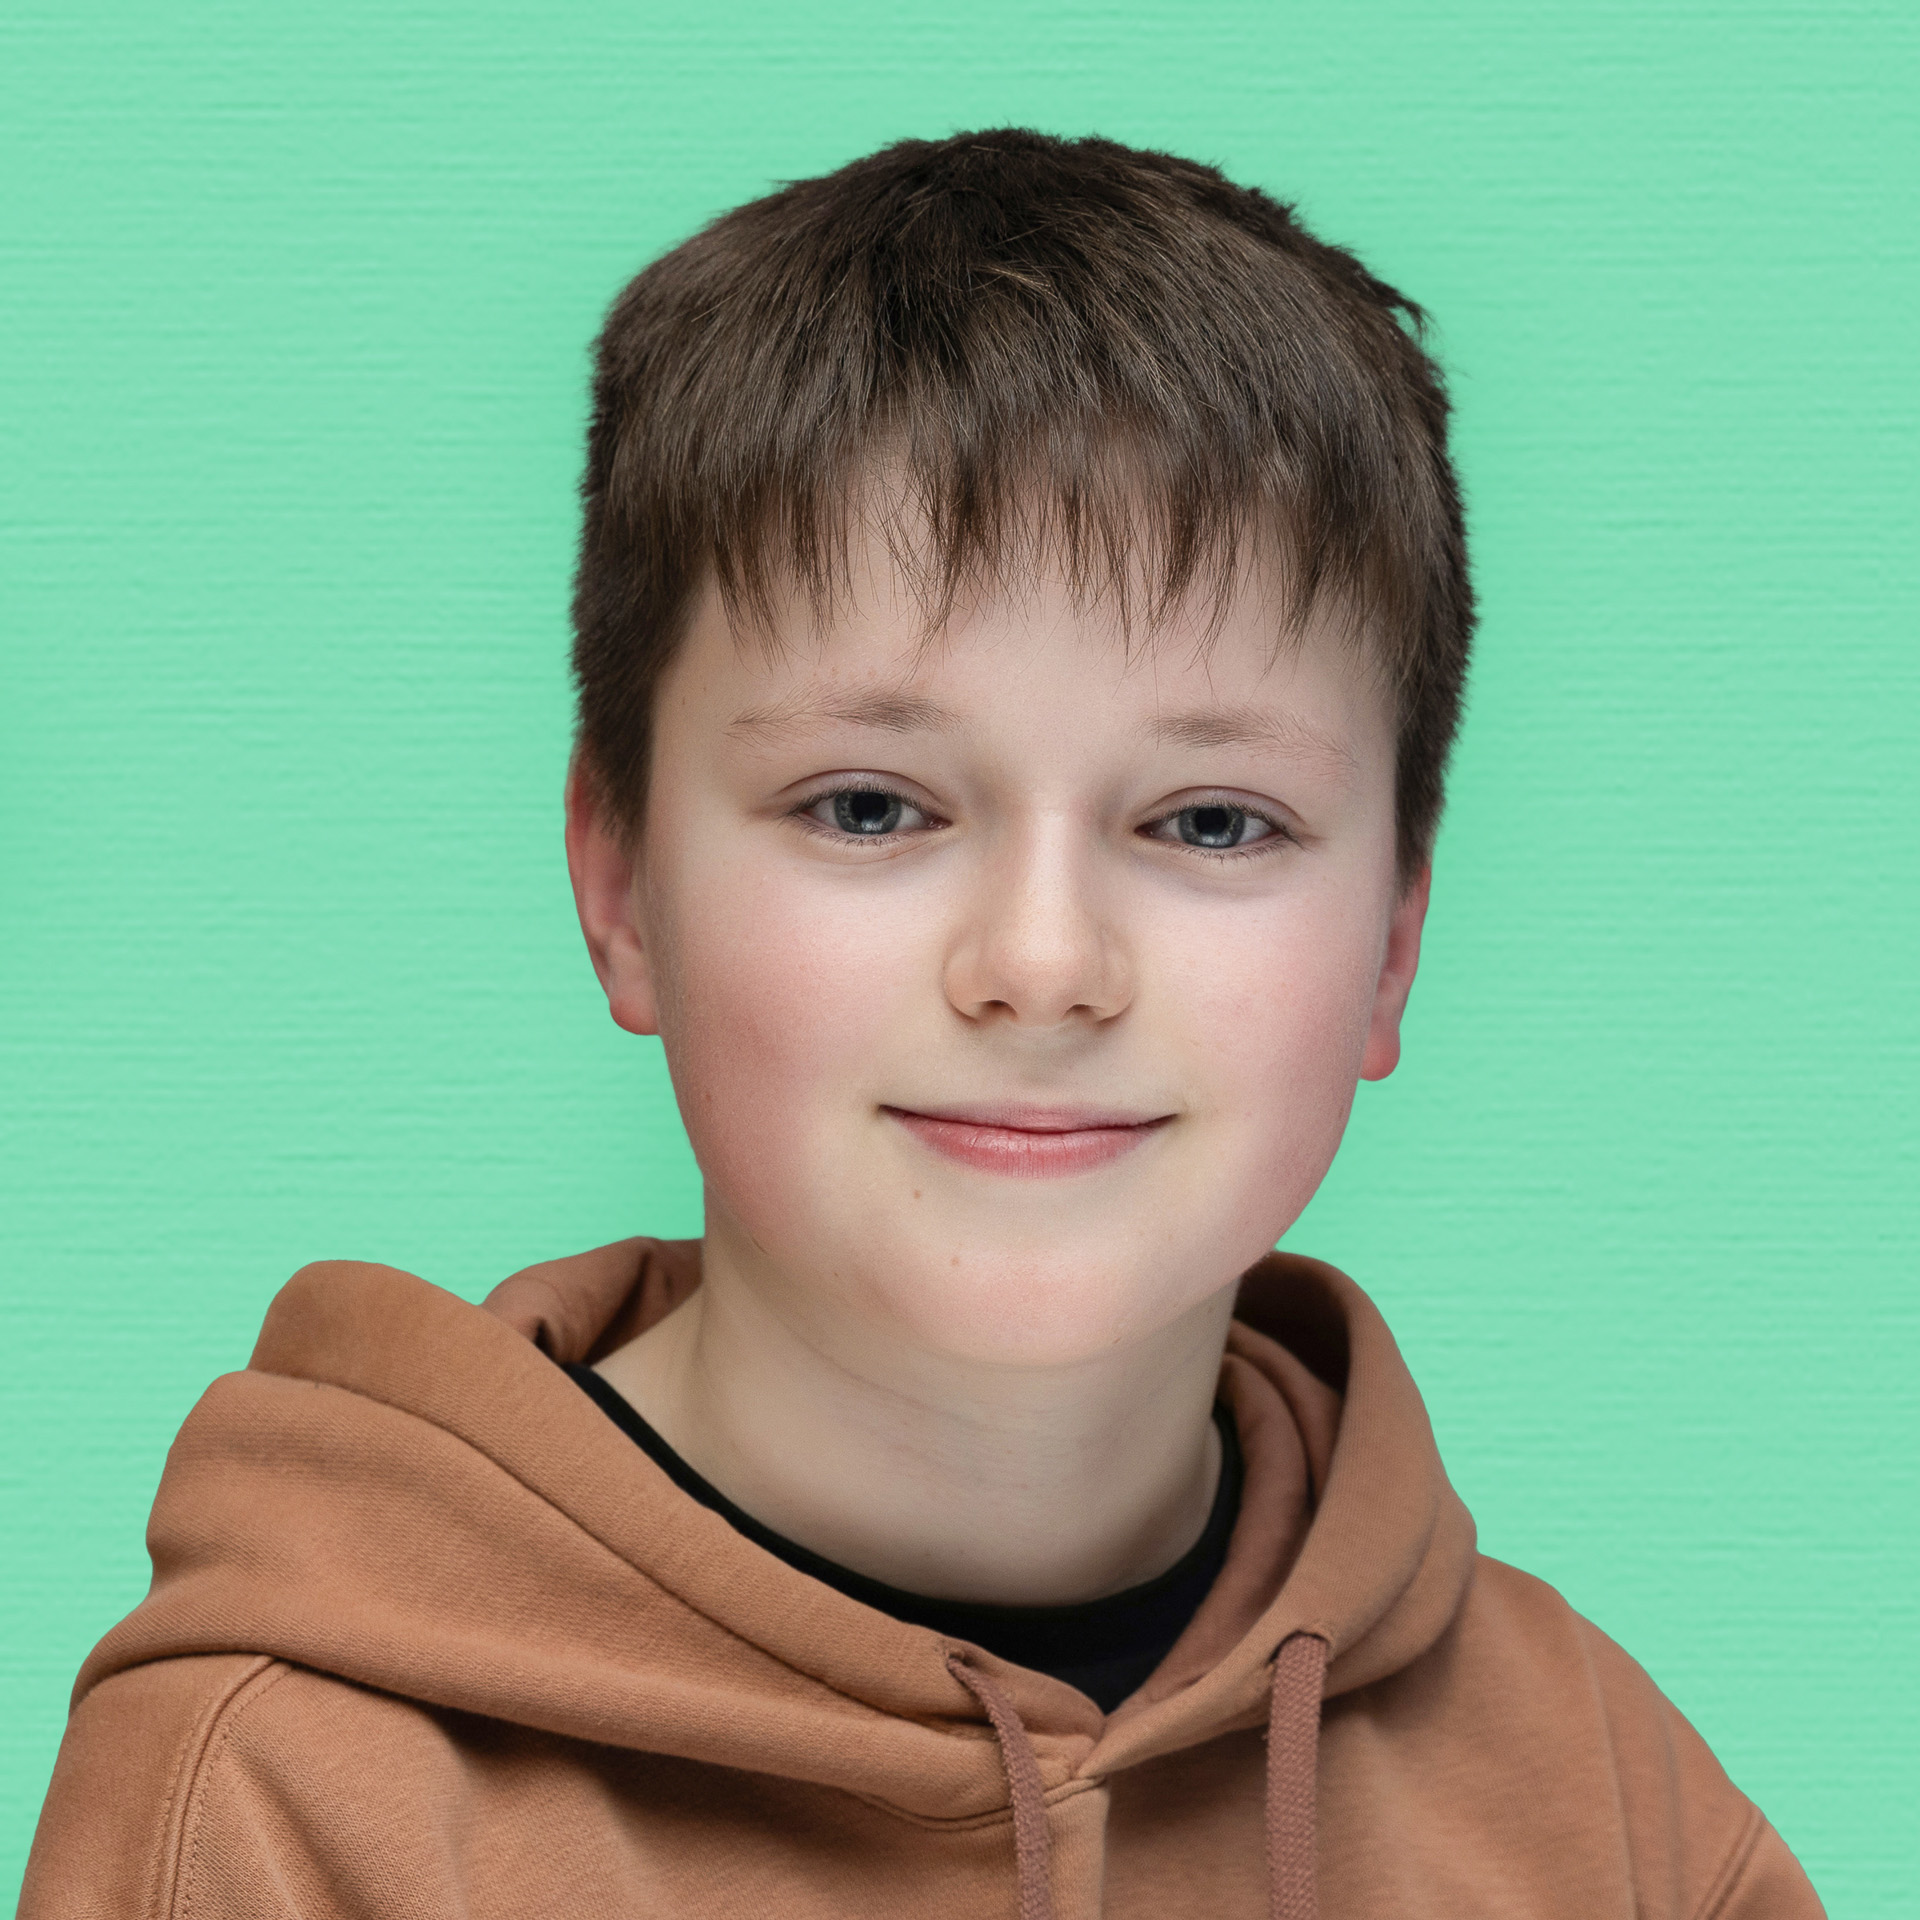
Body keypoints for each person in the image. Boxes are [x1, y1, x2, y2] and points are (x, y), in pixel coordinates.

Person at [20, 129, 1822, 1918]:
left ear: (1394, 945)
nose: (1042, 966)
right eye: (869, 807)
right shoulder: (270, 1807)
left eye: (1211, 822)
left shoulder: (1608, 1805)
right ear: (622, 886)